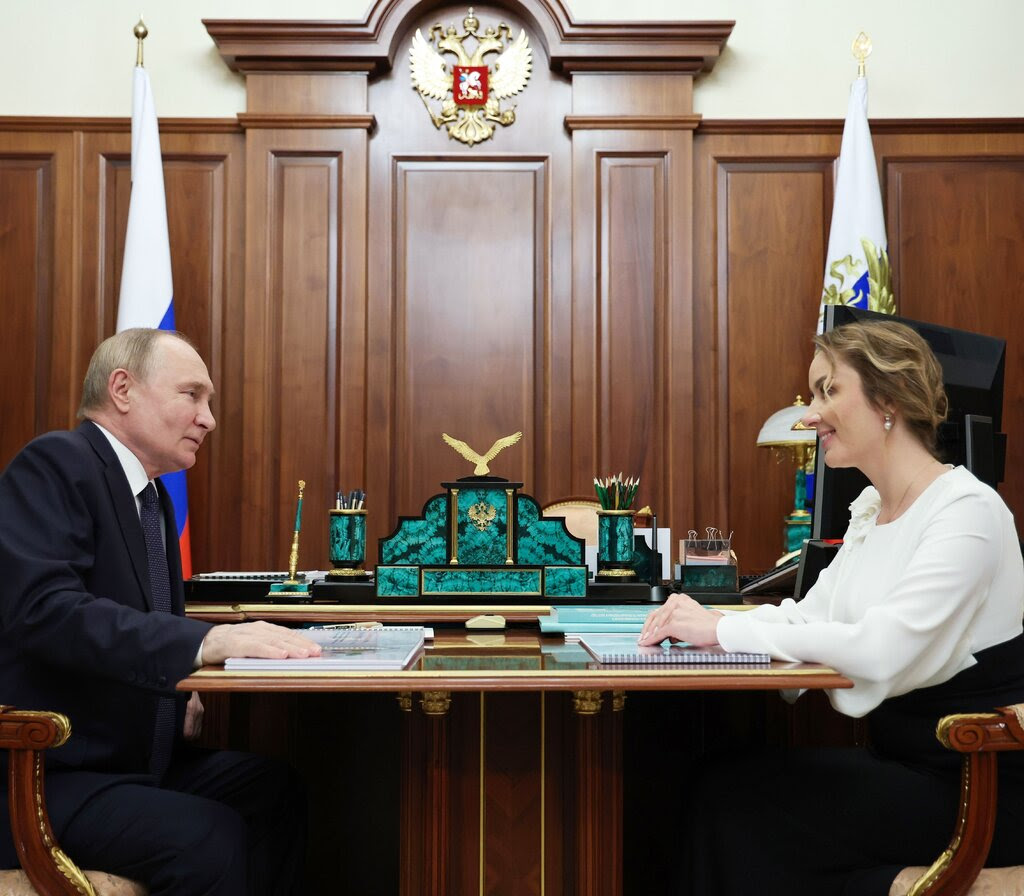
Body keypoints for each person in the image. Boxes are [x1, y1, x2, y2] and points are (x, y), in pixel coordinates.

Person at [639, 320, 1024, 895]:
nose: (809, 414)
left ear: (888, 399)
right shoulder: (873, 507)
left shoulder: (968, 510)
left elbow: (882, 649)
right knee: (716, 785)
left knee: (732, 803)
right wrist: (711, 625)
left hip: (971, 789)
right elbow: (808, 615)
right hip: (906, 768)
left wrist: (726, 630)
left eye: (828, 391)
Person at [0, 328, 324, 896]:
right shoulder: (56, 463)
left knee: (275, 790)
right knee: (207, 834)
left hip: (132, 760)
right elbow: (46, 612)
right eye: (192, 395)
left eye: (209, 401)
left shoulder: (152, 497)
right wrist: (200, 645)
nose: (208, 418)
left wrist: (179, 688)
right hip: (49, 773)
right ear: (122, 389)